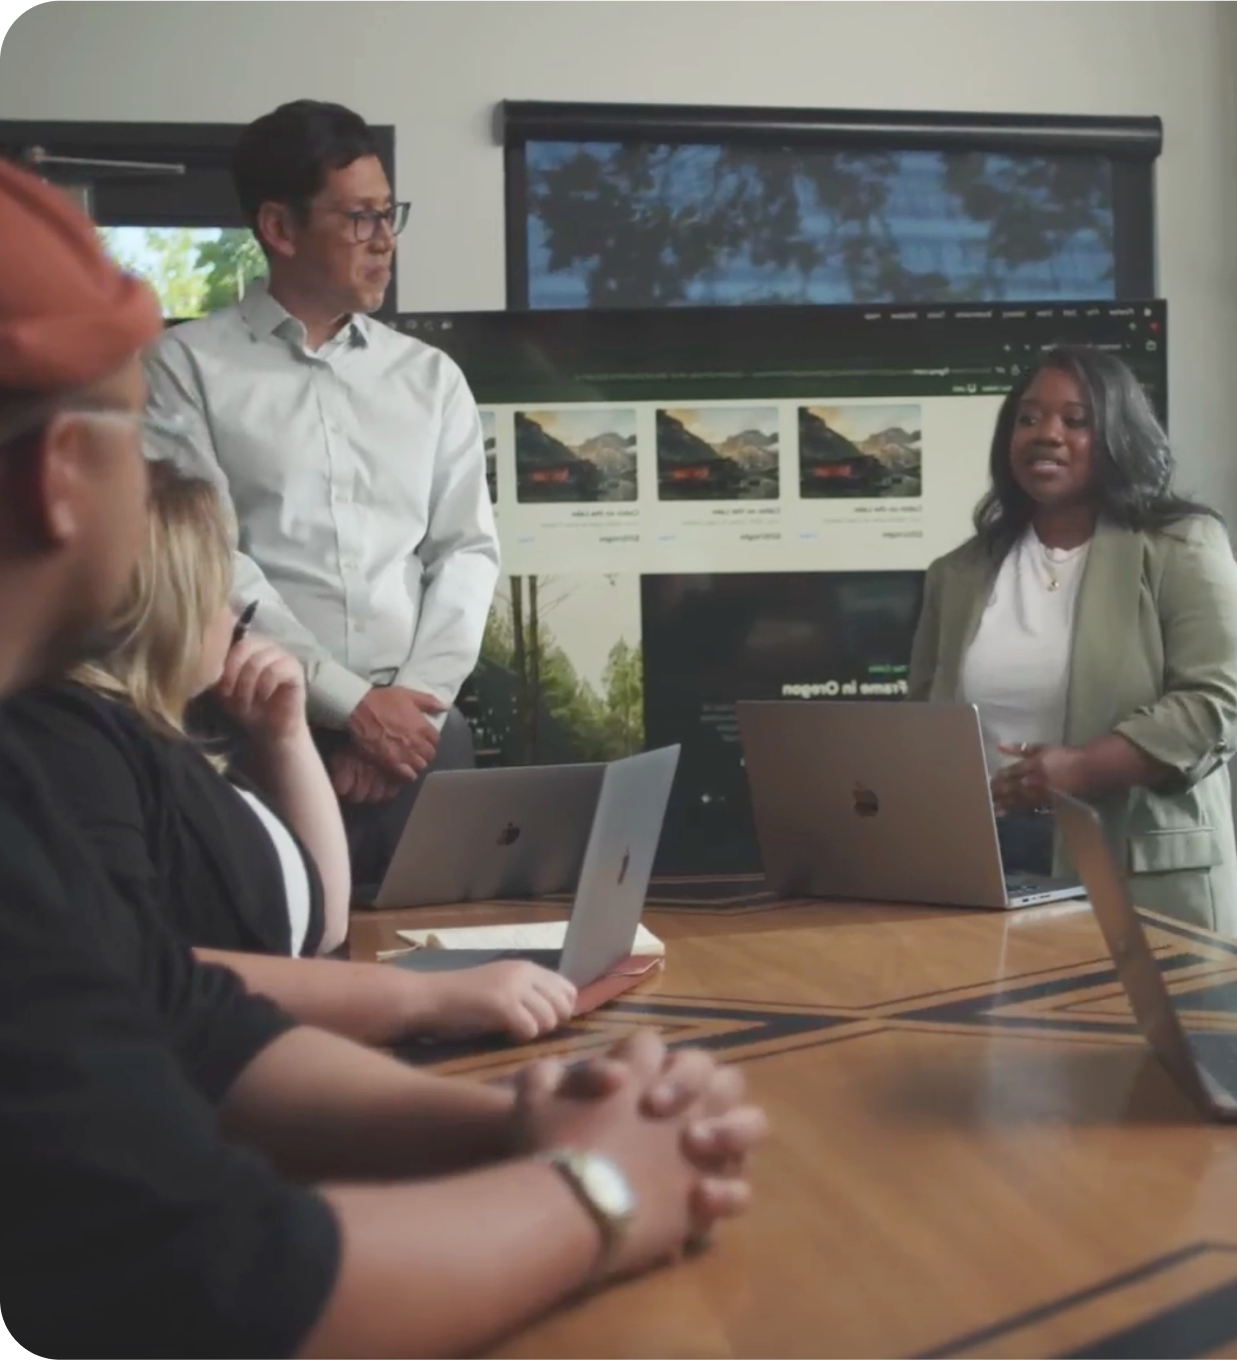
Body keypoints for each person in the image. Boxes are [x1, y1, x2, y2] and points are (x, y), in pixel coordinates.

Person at [0, 158, 766, 1360]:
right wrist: (605, 1191)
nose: (160, 494)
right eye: (127, 435)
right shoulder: (46, 776)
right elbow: (226, 1280)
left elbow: (184, 1015)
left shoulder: (44, 760)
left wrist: (514, 1117)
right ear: (56, 483)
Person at [8, 458, 581, 1046]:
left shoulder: (172, 742)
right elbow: (133, 974)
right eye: (221, 596)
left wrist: (285, 736)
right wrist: (426, 998)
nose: (236, 621)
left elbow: (321, 925)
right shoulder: (75, 745)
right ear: (167, 609)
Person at [143, 99, 500, 886]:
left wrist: (408, 708)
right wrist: (349, 707)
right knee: (276, 967)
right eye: (361, 218)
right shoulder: (185, 369)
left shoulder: (430, 379)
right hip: (243, 736)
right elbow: (210, 561)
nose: (386, 241)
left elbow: (466, 552)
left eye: (390, 214)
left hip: (423, 744)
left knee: (457, 962)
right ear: (279, 226)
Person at [907, 345, 1237, 937]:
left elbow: (1214, 705)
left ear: (1118, 434)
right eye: (1028, 417)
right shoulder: (957, 573)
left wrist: (1083, 768)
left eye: (1076, 420)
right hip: (981, 872)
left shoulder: (1181, 544)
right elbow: (920, 722)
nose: (1046, 434)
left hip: (1137, 875)